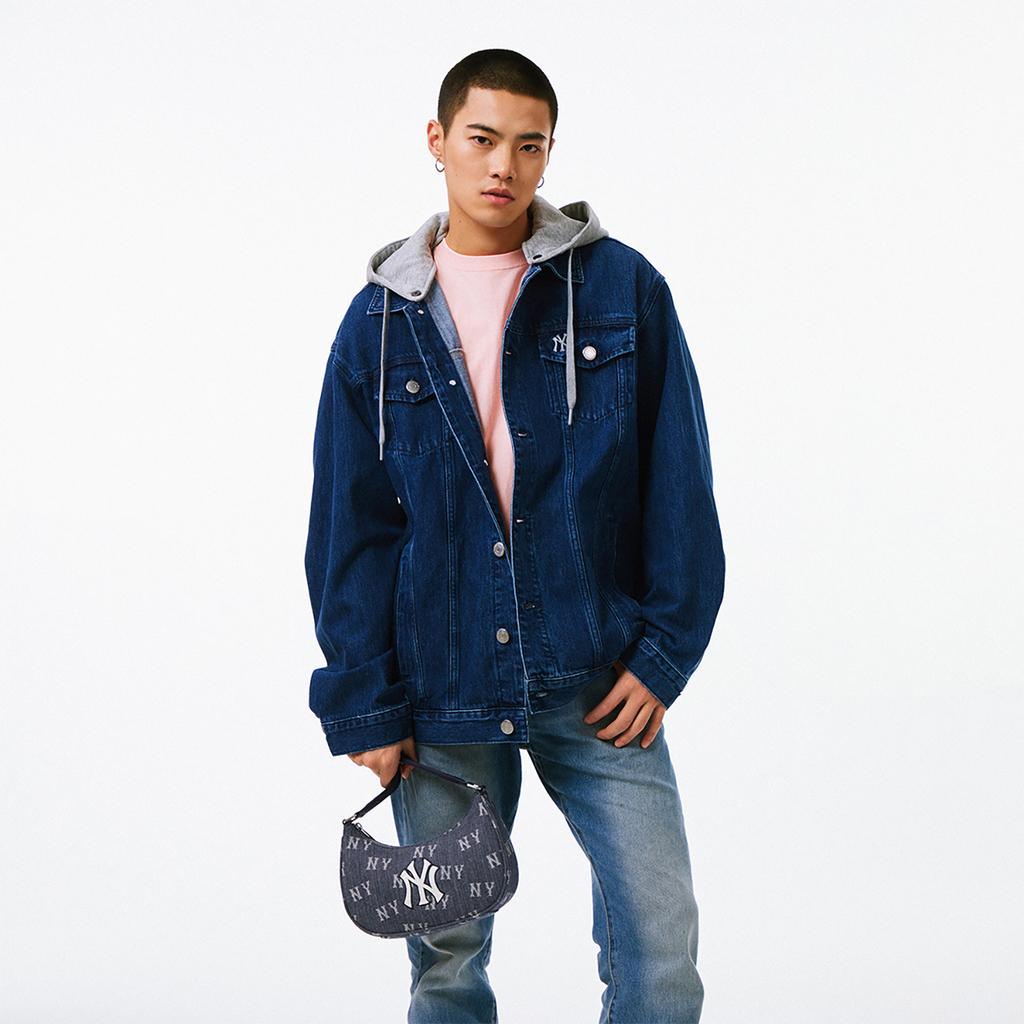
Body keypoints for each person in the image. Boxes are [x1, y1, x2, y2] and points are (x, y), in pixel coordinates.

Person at [304, 47, 726, 1024]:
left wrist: (663, 654)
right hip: (441, 691)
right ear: (437, 139)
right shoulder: (376, 326)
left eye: (528, 146)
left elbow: (678, 481)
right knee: (447, 963)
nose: (503, 166)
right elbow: (350, 528)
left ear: (548, 154)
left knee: (660, 949)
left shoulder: (621, 288)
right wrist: (368, 703)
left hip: (596, 680)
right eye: (482, 139)